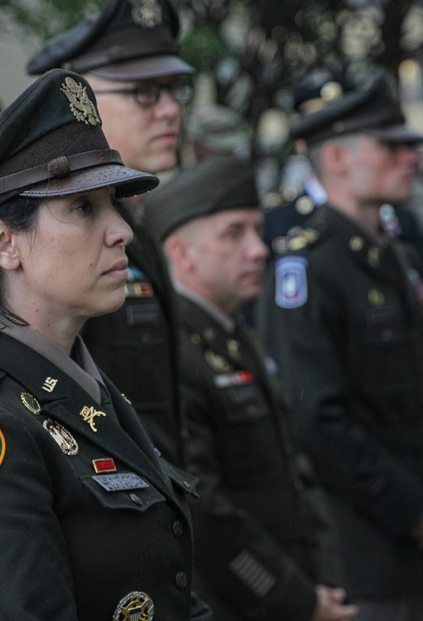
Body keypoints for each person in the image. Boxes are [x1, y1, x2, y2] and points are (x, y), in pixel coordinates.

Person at [0, 69, 210, 621]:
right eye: (84, 208)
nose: (121, 230)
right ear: (2, 241)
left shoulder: (87, 389)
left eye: (114, 204)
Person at [255, 75, 423, 621]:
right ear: (335, 157)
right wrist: (415, 510)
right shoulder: (307, 267)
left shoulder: (396, 260)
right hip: (364, 552)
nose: (412, 158)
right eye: (392, 146)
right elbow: (315, 418)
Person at [145, 155, 357, 621]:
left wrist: (325, 581)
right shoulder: (171, 352)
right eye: (234, 233)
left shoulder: (237, 337)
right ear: (181, 253)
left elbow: (293, 471)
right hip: (241, 604)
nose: (260, 250)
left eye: (257, 231)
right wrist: (296, 599)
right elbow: (203, 509)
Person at [26, 0, 195, 464]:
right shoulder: (55, 234)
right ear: (83, 102)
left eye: (173, 90)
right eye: (144, 93)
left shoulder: (138, 214)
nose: (171, 110)